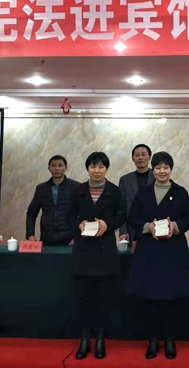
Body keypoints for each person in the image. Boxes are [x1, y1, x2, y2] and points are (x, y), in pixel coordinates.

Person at [127, 152, 189, 360]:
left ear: (171, 170)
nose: (162, 171)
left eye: (166, 167)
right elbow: (132, 218)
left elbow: (188, 218)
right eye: (158, 167)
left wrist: (175, 227)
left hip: (173, 251)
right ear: (153, 169)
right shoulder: (143, 193)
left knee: (172, 299)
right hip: (149, 251)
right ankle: (153, 339)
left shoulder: (180, 192)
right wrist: (148, 227)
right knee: (151, 298)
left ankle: (170, 339)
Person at [67, 152, 126, 360]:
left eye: (101, 166)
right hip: (83, 252)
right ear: (88, 168)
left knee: (103, 299)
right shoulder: (78, 191)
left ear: (106, 169)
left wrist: (107, 225)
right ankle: (84, 339)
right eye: (93, 166)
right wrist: (78, 225)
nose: (97, 170)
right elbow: (69, 216)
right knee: (83, 299)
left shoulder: (115, 191)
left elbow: (122, 215)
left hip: (104, 252)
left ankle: (100, 339)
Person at [26, 155, 80, 246]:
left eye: (60, 165)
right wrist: (30, 235)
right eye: (53, 166)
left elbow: (84, 213)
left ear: (66, 168)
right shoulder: (41, 188)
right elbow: (31, 213)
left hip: (70, 239)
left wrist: (79, 236)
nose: (57, 168)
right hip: (47, 238)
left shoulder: (76, 187)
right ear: (49, 169)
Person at [118, 144, 154, 242]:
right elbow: (121, 208)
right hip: (132, 231)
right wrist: (123, 231)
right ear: (133, 159)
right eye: (137, 155)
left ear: (149, 157)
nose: (140, 158)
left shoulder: (157, 177)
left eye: (143, 154)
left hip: (154, 229)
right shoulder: (125, 180)